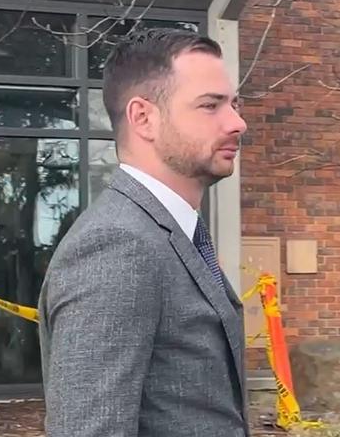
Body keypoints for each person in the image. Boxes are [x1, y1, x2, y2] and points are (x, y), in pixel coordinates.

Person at [38, 27, 249, 437]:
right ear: (143, 118)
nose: (237, 122)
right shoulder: (117, 247)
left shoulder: (174, 233)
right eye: (210, 105)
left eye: (235, 104)